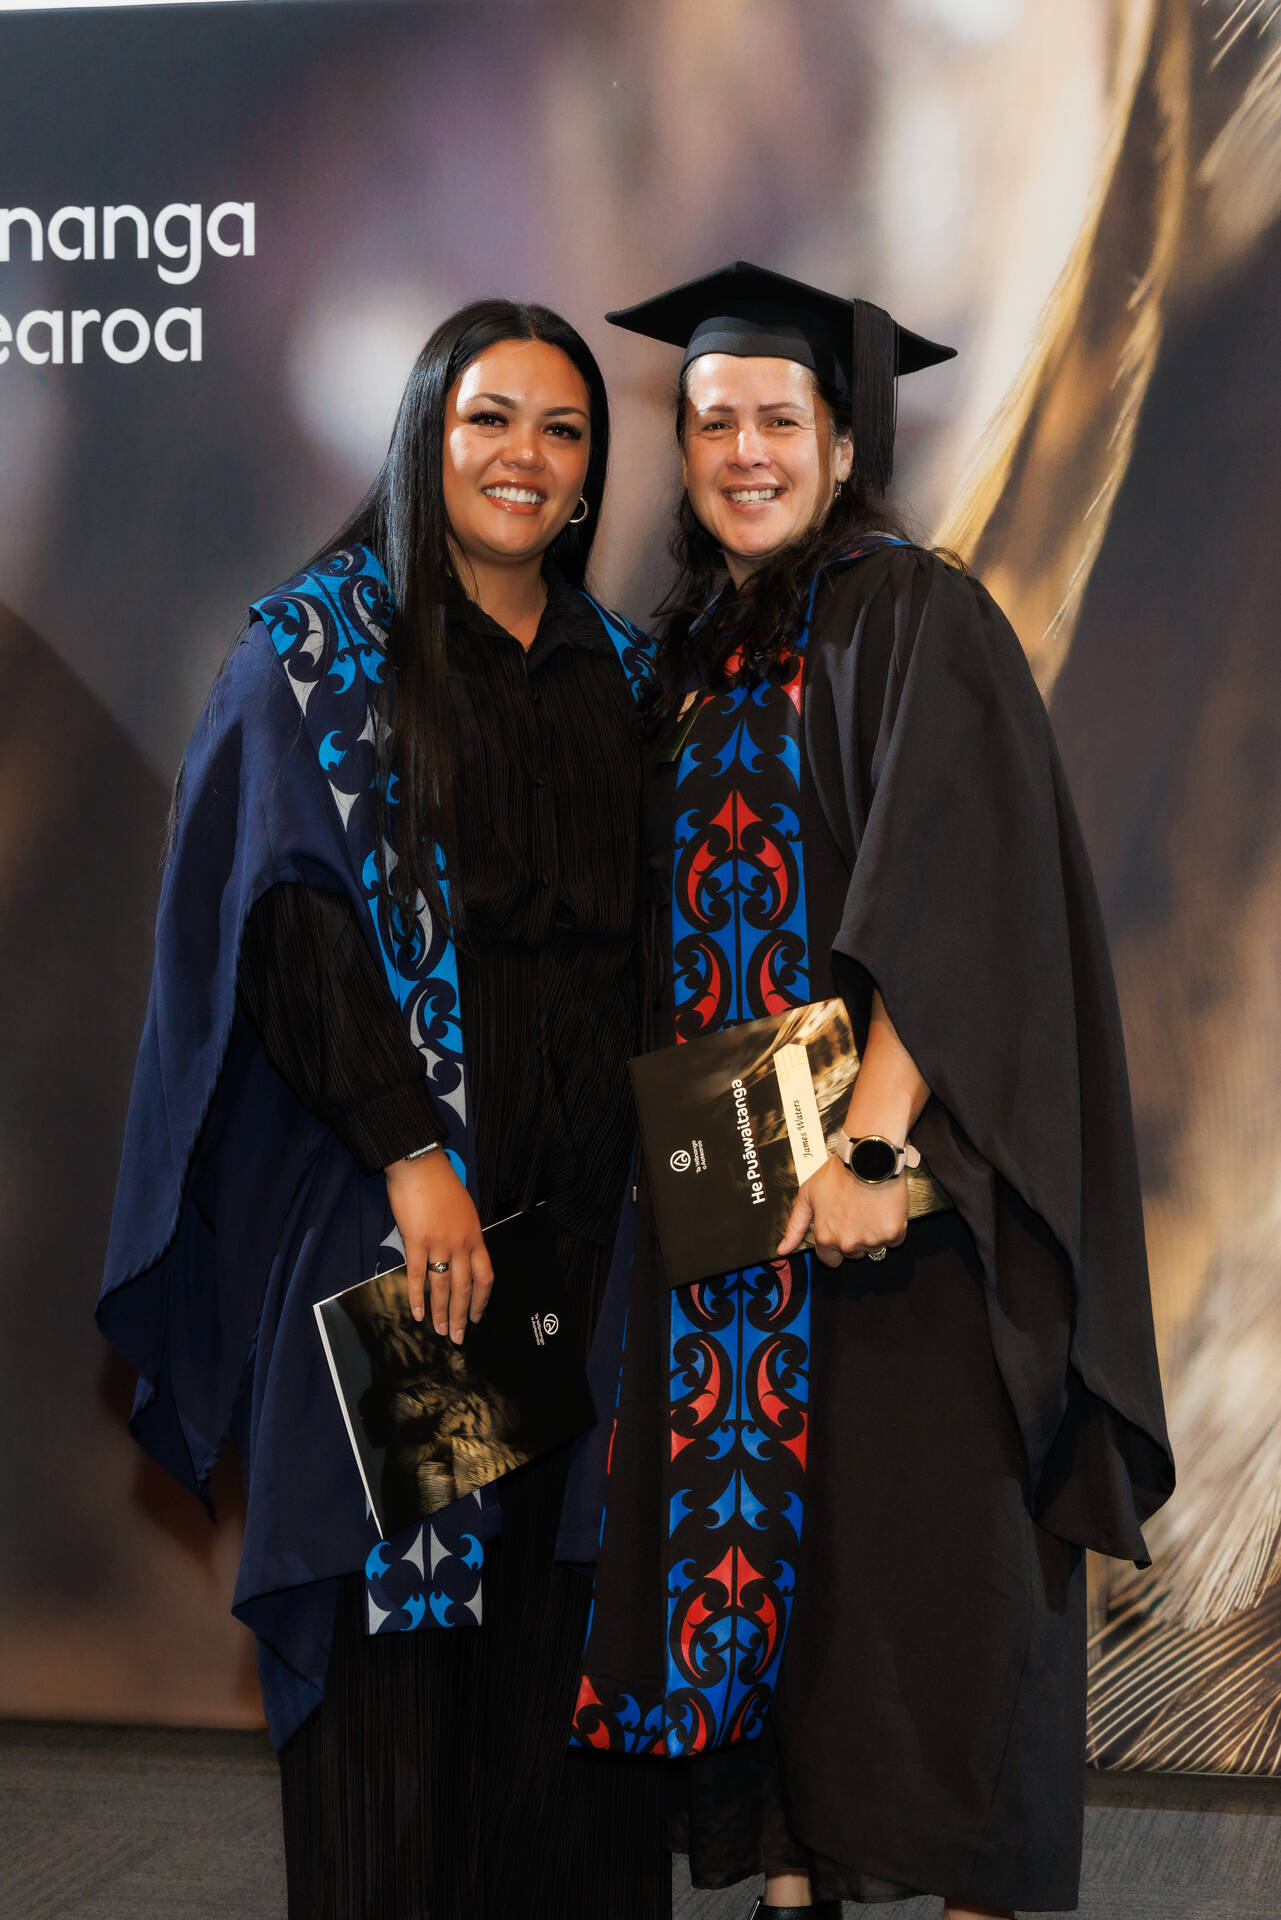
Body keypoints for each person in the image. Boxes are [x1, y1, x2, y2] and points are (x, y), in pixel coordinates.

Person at [567, 262, 1175, 1919]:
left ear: (842, 444)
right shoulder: (692, 655)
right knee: (787, 1580)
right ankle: (791, 1889)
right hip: (733, 1203)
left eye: (777, 420)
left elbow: (953, 883)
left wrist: (872, 1144)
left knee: (933, 1582)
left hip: (894, 1206)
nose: (742, 452)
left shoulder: (910, 610)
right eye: (712, 423)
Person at [97, 298, 668, 1920]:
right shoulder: (319, 652)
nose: (524, 454)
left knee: (564, 1692)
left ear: (590, 474)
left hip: (591, 1258)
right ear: (425, 435)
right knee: (406, 1701)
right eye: (490, 417)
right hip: (422, 1253)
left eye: (562, 429)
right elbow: (283, 929)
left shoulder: (625, 677)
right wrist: (414, 1155)